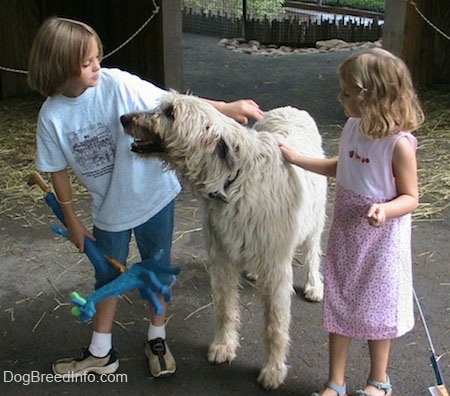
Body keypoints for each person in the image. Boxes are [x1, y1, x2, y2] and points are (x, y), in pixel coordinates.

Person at [27, 16, 263, 379]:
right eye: (87, 62)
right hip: (110, 207)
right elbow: (57, 171)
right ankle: (101, 353)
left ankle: (157, 337)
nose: (97, 67)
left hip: (153, 194)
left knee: (157, 268)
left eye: (97, 57)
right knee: (107, 276)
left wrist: (227, 109)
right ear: (60, 67)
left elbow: (176, 106)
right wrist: (72, 221)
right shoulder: (52, 117)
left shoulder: (117, 83)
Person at [280, 48, 424, 396]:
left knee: (378, 306)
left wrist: (385, 210)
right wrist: (297, 159)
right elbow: (341, 167)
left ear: (372, 96)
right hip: (346, 231)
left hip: (380, 237)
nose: (340, 97)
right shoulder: (352, 126)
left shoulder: (399, 144)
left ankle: (379, 380)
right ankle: (336, 382)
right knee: (339, 301)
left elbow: (411, 196)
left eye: (347, 92)